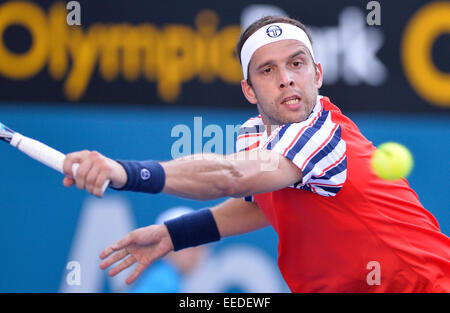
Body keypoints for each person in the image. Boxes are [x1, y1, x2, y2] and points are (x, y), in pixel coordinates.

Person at [62, 16, 450, 292]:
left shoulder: (320, 134)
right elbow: (261, 203)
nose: (286, 78)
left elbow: (230, 177)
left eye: (296, 63)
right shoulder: (257, 137)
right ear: (249, 91)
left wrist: (124, 172)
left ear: (317, 73)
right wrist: (174, 234)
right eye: (268, 70)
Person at [129, 207, 209, 293]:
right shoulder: (163, 282)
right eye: (191, 245)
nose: (197, 253)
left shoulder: (167, 278)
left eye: (200, 246)